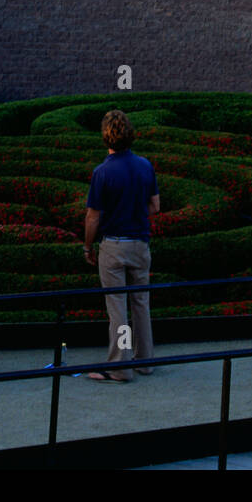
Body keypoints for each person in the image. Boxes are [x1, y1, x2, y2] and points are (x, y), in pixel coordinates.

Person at [84, 110, 160, 383]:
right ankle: (145, 360)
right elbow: (155, 206)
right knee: (141, 302)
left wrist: (87, 246)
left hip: (114, 246)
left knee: (117, 306)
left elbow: (93, 216)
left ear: (106, 137)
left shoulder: (102, 172)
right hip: (140, 244)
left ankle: (119, 366)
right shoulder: (145, 166)